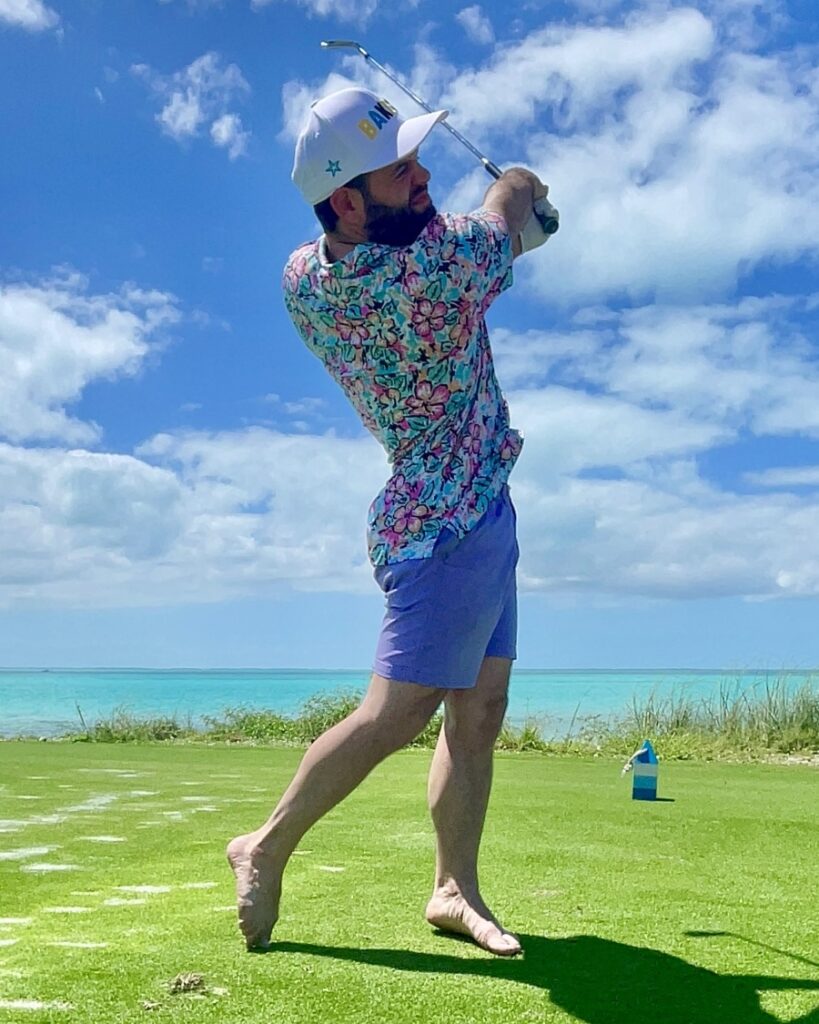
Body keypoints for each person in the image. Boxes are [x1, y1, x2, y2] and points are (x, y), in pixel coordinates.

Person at [227, 86, 551, 957]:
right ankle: (265, 843)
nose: (424, 177)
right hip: (445, 519)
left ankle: (453, 889)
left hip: (476, 502)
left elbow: (481, 230)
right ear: (345, 200)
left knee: (478, 706)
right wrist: (525, 184)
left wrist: (507, 221)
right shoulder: (438, 268)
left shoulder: (306, 278)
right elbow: (508, 205)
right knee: (396, 713)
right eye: (401, 170)